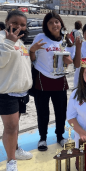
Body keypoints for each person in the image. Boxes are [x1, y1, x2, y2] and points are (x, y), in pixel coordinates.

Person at [0, 10, 33, 171]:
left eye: (22, 24)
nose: (19, 27)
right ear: (6, 22)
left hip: (18, 91)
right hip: (3, 90)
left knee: (15, 124)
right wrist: (8, 42)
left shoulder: (19, 41)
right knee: (11, 127)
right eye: (15, 23)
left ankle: (15, 148)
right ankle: (11, 160)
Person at [29, 11, 75, 151]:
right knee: (42, 111)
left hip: (60, 79)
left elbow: (70, 60)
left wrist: (68, 61)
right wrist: (32, 50)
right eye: (50, 23)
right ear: (46, 25)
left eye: (56, 22)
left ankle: (60, 136)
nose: (54, 25)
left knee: (61, 111)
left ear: (61, 23)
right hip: (42, 79)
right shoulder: (40, 37)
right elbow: (32, 58)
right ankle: (42, 138)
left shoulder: (66, 40)